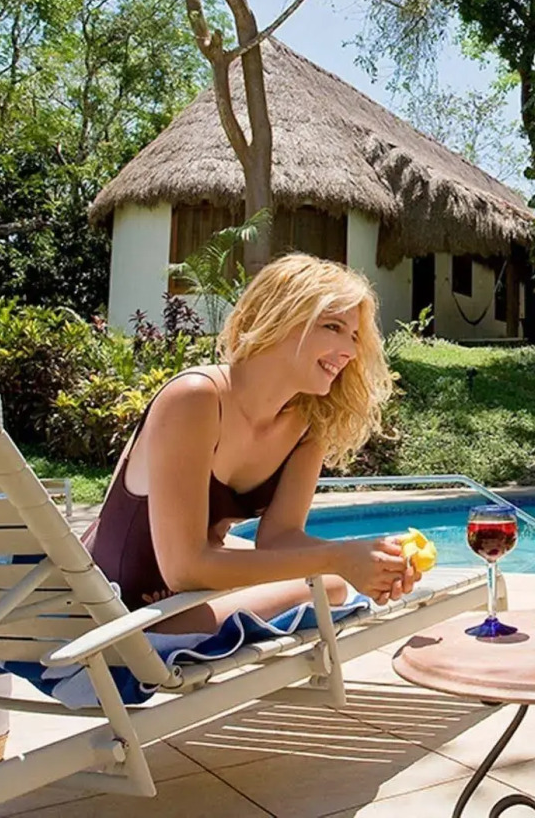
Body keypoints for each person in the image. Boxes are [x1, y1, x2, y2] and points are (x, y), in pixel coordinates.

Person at [86, 253, 419, 632]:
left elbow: (279, 538)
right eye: (332, 327)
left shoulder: (309, 424)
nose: (350, 350)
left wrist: (372, 559)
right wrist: (337, 559)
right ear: (277, 319)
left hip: (192, 601)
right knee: (329, 582)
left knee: (332, 584)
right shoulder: (195, 398)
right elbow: (184, 568)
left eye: (355, 335)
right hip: (117, 611)